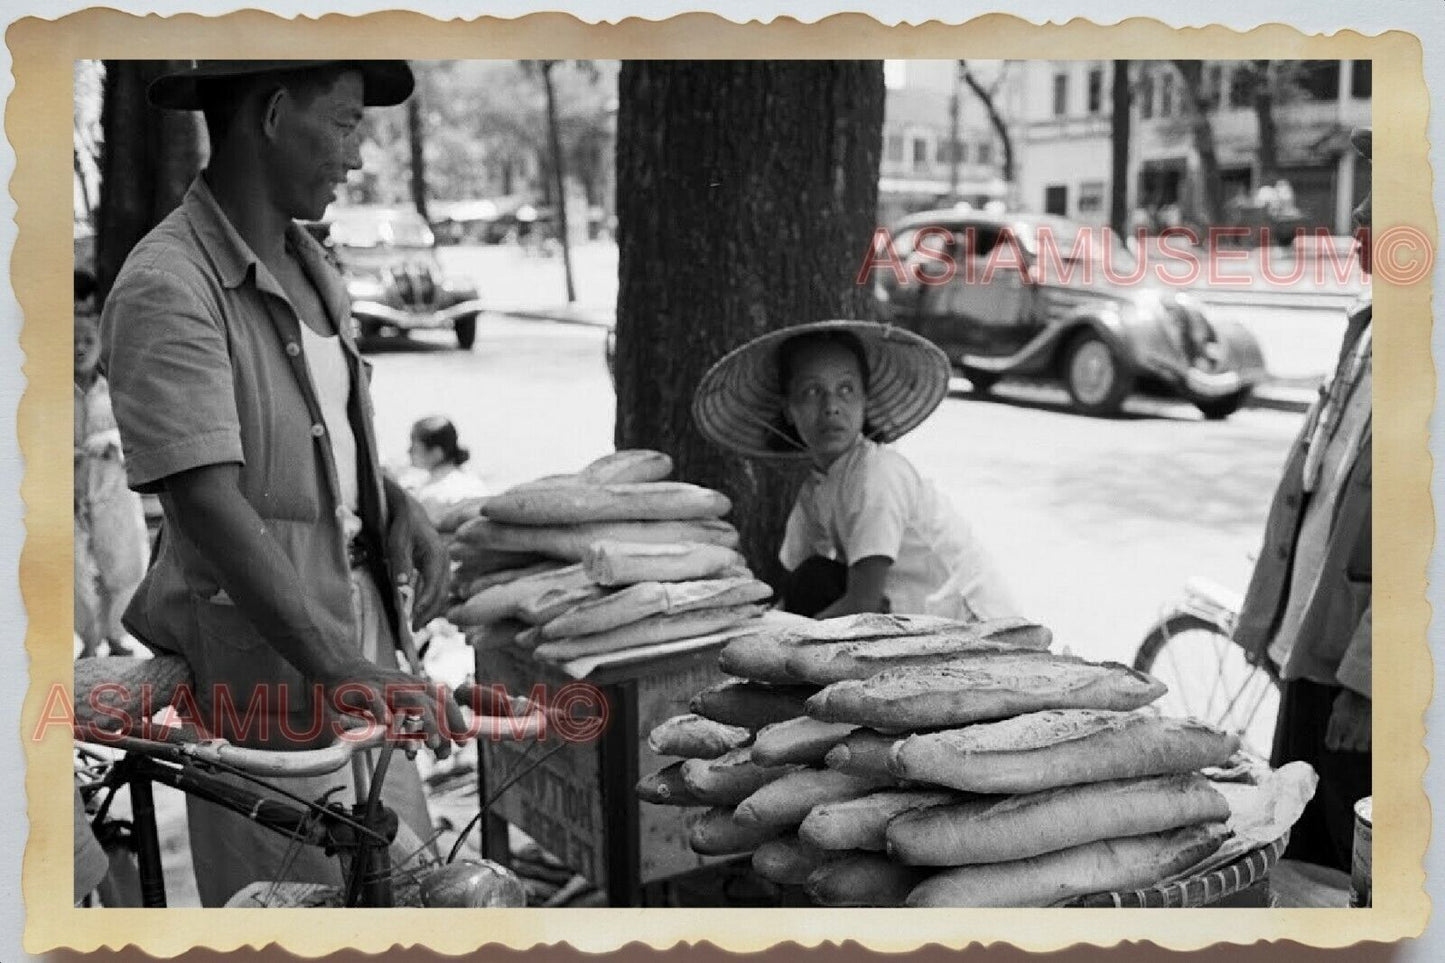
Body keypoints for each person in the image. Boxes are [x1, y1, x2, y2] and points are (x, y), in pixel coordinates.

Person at [101, 60, 464, 906]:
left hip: (365, 657)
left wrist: (391, 503)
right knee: (301, 914)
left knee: (410, 897)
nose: (355, 155)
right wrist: (337, 665)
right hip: (276, 695)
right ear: (269, 113)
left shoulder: (310, 262)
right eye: (343, 123)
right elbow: (206, 500)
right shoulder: (168, 285)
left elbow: (316, 431)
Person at [1234, 127, 1373, 874]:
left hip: (1359, 684)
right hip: (1310, 655)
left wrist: (1368, 680)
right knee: (1284, 858)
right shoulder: (1370, 326)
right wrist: (1266, 622)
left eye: (1384, 199)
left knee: (1338, 877)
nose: (1357, 212)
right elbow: (1316, 492)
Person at [693, 320, 1020, 621]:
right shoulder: (820, 485)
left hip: (967, 625)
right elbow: (799, 583)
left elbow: (863, 602)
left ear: (865, 400)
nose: (831, 406)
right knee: (812, 579)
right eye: (811, 392)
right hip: (902, 616)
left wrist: (784, 641)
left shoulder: (877, 476)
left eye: (846, 389)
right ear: (789, 411)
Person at [74, 269, 147, 659]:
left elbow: (140, 430)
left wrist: (110, 442)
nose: (80, 348)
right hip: (68, 497)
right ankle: (87, 641)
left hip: (114, 491)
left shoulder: (116, 386)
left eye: (88, 340)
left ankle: (116, 636)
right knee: (77, 577)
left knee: (124, 567)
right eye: (72, 342)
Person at [400, 415, 490, 525]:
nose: (409, 451)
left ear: (436, 453)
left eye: (415, 446)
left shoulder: (432, 494)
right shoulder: (474, 483)